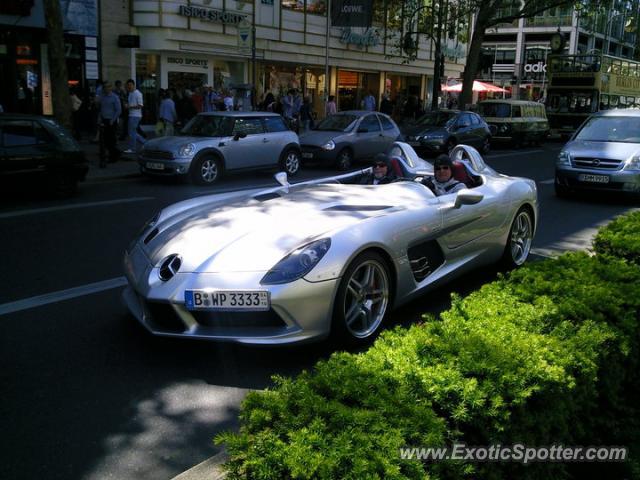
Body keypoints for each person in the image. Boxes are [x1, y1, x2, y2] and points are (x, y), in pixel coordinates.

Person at [97, 82, 122, 166]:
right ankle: (115, 153)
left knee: (111, 140)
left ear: (110, 88)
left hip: (111, 121)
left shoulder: (115, 97)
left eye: (107, 87)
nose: (105, 89)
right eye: (104, 87)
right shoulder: (102, 97)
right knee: (105, 140)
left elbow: (118, 110)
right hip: (104, 120)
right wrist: (99, 118)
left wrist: (112, 120)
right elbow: (101, 109)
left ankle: (114, 156)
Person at [124, 78, 146, 154]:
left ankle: (133, 148)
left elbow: (140, 105)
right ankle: (145, 143)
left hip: (136, 116)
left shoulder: (138, 93)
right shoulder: (130, 93)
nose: (129, 87)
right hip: (132, 115)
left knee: (131, 132)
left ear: (134, 85)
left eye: (130, 85)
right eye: (128, 85)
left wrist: (129, 107)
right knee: (133, 132)